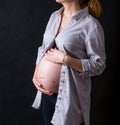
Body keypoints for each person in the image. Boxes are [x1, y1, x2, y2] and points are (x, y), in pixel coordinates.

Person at [32, 0, 106, 125]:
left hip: (70, 98)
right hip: (46, 95)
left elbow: (99, 65)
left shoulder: (91, 25)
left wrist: (65, 59)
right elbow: (43, 47)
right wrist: (36, 74)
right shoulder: (55, 16)